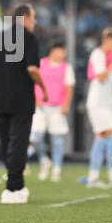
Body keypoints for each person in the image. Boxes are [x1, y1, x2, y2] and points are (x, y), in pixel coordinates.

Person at [0, 4, 48, 204]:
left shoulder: (0, 37)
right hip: (22, 99)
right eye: (34, 17)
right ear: (26, 18)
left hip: (0, 98)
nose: (35, 21)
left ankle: (18, 185)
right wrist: (44, 88)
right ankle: (12, 187)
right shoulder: (30, 38)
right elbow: (32, 69)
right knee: (19, 143)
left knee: (7, 144)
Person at [30, 41, 75, 182]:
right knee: (36, 137)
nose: (62, 54)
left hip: (57, 107)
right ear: (53, 50)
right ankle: (44, 160)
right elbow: (32, 82)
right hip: (40, 106)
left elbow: (69, 87)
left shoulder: (66, 67)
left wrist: (66, 104)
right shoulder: (40, 64)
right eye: (60, 51)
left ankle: (56, 169)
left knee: (57, 140)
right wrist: (34, 98)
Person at [85, 27, 112, 187]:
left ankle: (93, 177)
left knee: (101, 139)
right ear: (108, 40)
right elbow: (100, 77)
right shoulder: (98, 54)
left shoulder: (109, 56)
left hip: (106, 102)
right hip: (98, 103)